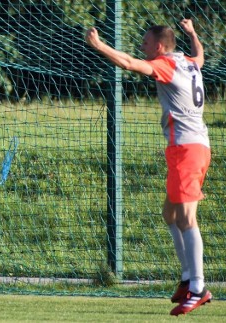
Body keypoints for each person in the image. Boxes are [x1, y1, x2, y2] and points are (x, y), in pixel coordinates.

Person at [86, 19, 212, 316]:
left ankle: (198, 287)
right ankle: (186, 279)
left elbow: (129, 64)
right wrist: (193, 34)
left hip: (187, 148)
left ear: (158, 46)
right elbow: (201, 56)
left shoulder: (166, 65)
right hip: (191, 147)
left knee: (186, 218)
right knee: (169, 214)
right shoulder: (188, 62)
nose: (141, 48)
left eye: (145, 43)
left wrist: (99, 46)